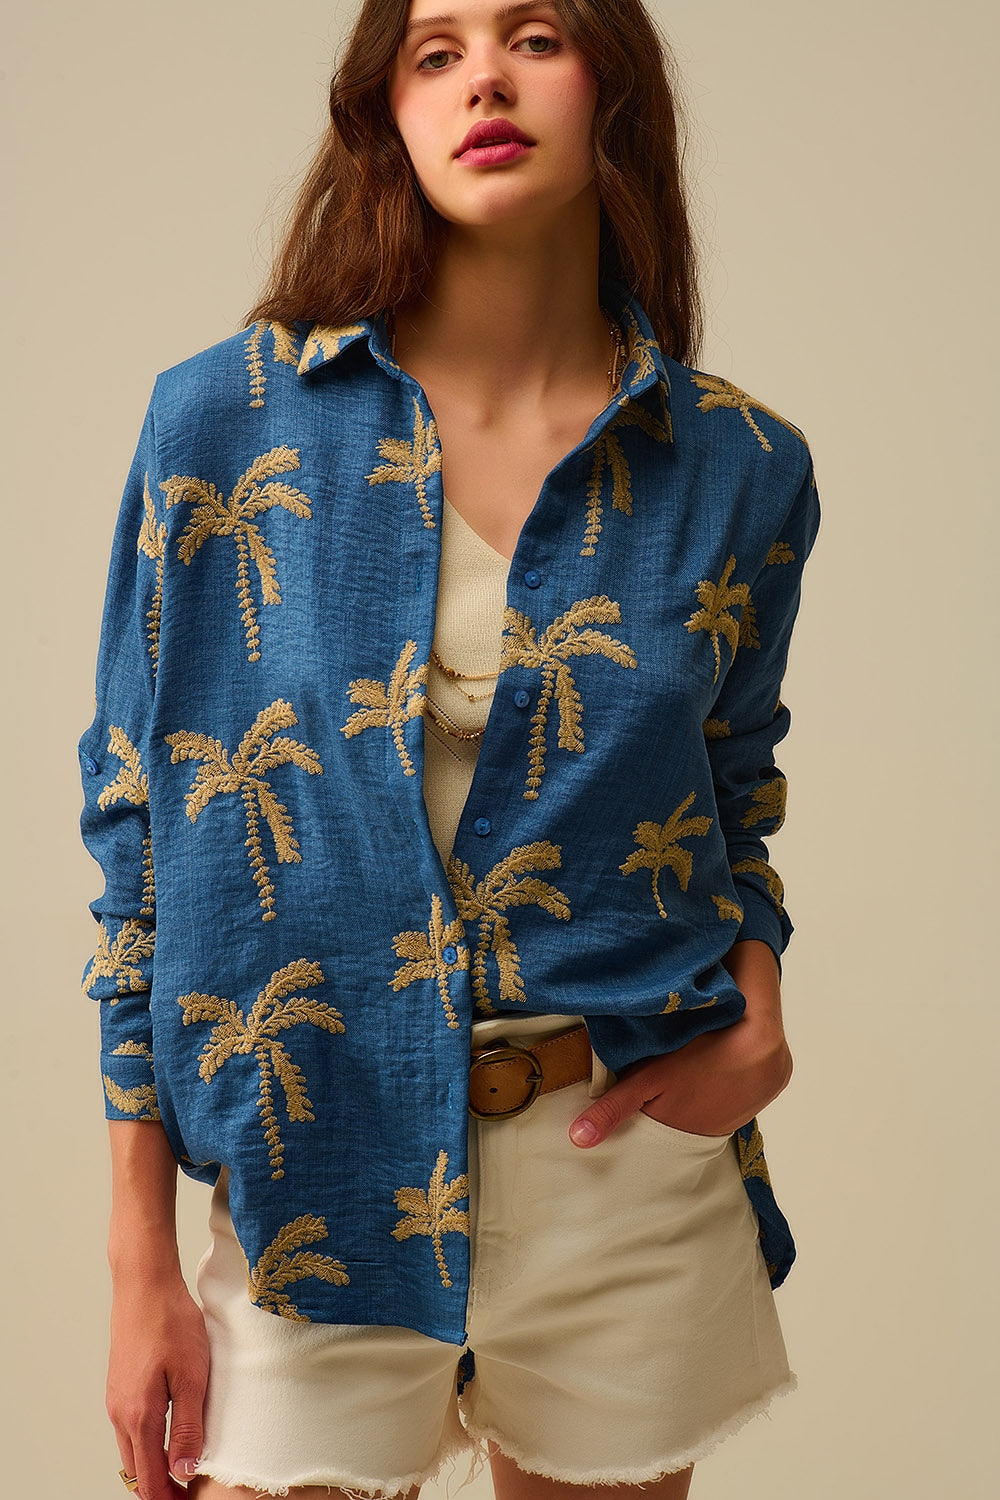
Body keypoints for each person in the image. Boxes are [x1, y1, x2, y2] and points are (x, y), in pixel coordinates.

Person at [78, 2, 821, 1498]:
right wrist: (139, 1264)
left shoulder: (739, 466)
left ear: (611, 86)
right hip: (310, 1172)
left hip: (623, 1177)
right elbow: (139, 830)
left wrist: (760, 1007)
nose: (483, 75)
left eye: (533, 34)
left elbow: (732, 797)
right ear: (388, 114)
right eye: (435, 51)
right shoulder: (222, 423)